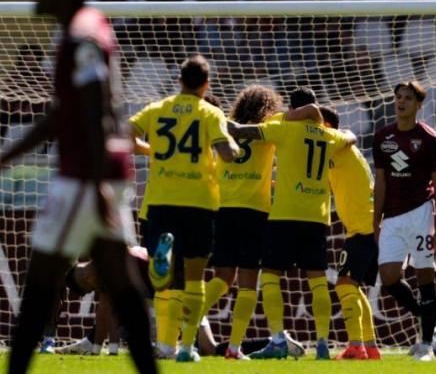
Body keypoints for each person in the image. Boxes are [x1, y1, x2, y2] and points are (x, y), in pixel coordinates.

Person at [0, 0, 157, 374]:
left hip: (85, 178)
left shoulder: (82, 37)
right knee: (120, 287)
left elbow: (96, 110)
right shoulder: (86, 29)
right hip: (97, 174)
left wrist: (97, 184)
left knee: (39, 284)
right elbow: (61, 116)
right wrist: (6, 159)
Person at [228, 87, 356, 360]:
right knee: (318, 282)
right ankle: (322, 344)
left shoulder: (282, 127)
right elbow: (351, 137)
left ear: (293, 109)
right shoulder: (330, 135)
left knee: (271, 277)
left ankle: (277, 339)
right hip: (317, 216)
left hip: (284, 216)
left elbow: (241, 131)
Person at [128, 54, 239, 362]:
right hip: (198, 203)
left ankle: (164, 345)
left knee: (167, 283)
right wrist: (235, 146)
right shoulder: (209, 113)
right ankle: (187, 349)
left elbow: (126, 134)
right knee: (194, 279)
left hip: (161, 202)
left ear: (179, 80)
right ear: (206, 84)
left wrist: (153, 150)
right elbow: (227, 153)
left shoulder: (157, 108)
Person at [287, 105, 381, 360]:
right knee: (354, 288)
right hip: (367, 228)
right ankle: (370, 347)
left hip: (363, 229)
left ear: (325, 126)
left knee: (344, 285)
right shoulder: (338, 152)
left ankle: (356, 346)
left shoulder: (337, 144)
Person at [199, 85, 284, 361]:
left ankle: (183, 321)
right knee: (248, 284)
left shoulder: (223, 126)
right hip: (254, 211)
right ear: (269, 107)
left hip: (222, 209)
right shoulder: (271, 128)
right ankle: (234, 348)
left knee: (222, 278)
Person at [372, 81, 436, 362]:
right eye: (398, 97)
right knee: (389, 277)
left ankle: (426, 345)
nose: (400, 102)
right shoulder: (382, 137)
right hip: (391, 217)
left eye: (407, 98)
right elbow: (379, 182)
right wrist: (375, 220)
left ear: (418, 105)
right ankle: (426, 318)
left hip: (421, 213)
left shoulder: (431, 140)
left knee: (424, 274)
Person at [55, 246, 152, 356]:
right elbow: (102, 312)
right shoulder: (100, 265)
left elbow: (112, 313)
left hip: (157, 282)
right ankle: (91, 344)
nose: (95, 290)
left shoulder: (108, 269)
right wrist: (96, 351)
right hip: (150, 280)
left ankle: (158, 346)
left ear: (87, 277)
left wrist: (113, 351)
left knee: (128, 318)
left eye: (91, 288)